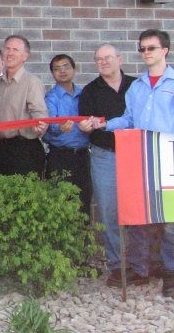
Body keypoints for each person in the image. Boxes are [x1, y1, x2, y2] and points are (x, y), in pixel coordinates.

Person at [86, 29, 174, 297]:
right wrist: (103, 124)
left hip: (168, 157)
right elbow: (128, 120)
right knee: (141, 216)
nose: (146, 53)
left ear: (165, 51)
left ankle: (171, 272)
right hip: (141, 158)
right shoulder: (137, 87)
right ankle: (140, 269)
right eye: (143, 49)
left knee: (170, 218)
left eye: (151, 48)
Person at [77, 44, 146, 288]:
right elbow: (84, 123)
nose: (103, 62)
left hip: (136, 155)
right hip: (104, 155)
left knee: (139, 210)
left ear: (120, 58)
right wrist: (85, 126)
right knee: (108, 212)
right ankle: (118, 266)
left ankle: (140, 266)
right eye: (98, 60)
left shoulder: (138, 86)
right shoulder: (90, 91)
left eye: (108, 58)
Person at [0, 35, 49, 176]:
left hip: (25, 150)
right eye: (7, 48)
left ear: (25, 56)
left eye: (15, 49)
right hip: (2, 150)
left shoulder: (32, 82)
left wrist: (40, 126)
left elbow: (41, 117)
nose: (10, 53)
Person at [43, 54, 91, 217]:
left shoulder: (84, 94)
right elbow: (50, 124)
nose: (62, 71)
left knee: (83, 200)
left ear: (74, 69)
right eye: (57, 69)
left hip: (83, 155)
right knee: (60, 203)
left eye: (66, 67)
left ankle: (84, 241)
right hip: (60, 156)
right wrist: (59, 127)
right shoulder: (50, 97)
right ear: (52, 74)